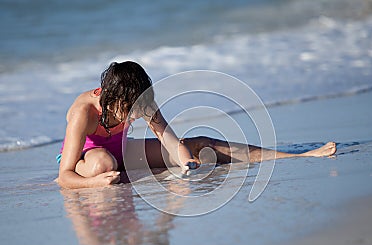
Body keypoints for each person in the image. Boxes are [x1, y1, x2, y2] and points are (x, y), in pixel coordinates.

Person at [57, 61, 336, 189]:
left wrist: (187, 160)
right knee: (103, 164)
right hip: (87, 159)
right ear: (110, 98)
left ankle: (297, 155)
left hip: (123, 151)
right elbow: (65, 175)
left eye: (137, 108)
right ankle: (107, 174)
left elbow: (170, 140)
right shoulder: (84, 112)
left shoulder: (138, 99)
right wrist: (92, 184)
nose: (133, 116)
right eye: (128, 110)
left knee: (202, 146)